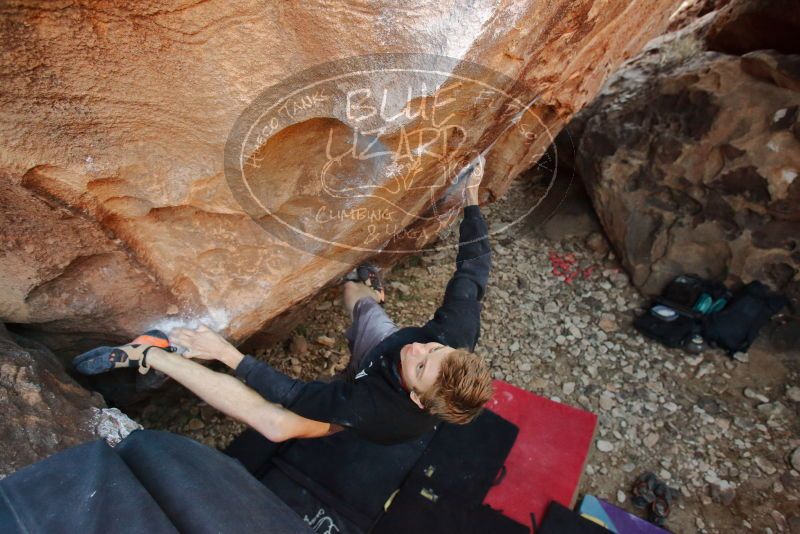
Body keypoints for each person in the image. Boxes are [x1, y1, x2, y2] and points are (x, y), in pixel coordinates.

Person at [74, 169, 493, 445]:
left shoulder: (380, 412)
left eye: (421, 367)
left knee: (276, 426)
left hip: (362, 389)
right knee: (357, 297)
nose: (419, 350)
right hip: (381, 350)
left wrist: (227, 354)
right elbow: (473, 268)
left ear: (419, 399)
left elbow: (294, 394)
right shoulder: (452, 335)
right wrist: (472, 198)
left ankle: (149, 354)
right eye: (433, 351)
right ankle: (365, 290)